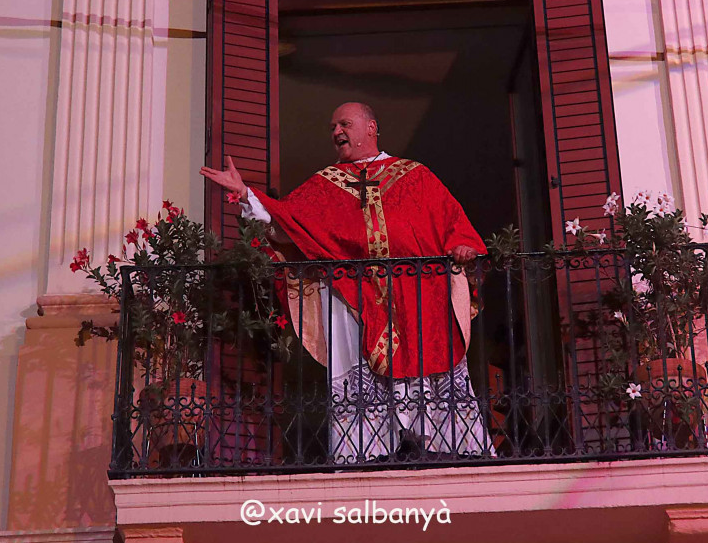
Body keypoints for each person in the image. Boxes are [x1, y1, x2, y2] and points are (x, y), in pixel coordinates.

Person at [201, 102, 493, 462]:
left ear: (371, 128)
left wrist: (463, 246)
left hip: (419, 295)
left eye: (344, 124)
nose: (336, 132)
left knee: (431, 364)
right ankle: (367, 453)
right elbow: (287, 221)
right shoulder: (325, 185)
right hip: (356, 296)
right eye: (332, 127)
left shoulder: (416, 176)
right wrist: (246, 194)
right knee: (362, 379)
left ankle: (446, 448)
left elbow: (453, 222)